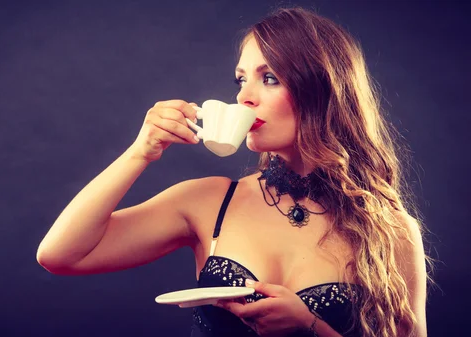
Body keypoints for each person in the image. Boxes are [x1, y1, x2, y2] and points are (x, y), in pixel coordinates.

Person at [36, 7, 433, 337]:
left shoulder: (390, 229)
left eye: (269, 78)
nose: (243, 96)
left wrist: (311, 328)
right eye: (241, 79)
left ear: (321, 92)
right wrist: (141, 152)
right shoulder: (210, 201)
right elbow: (61, 254)